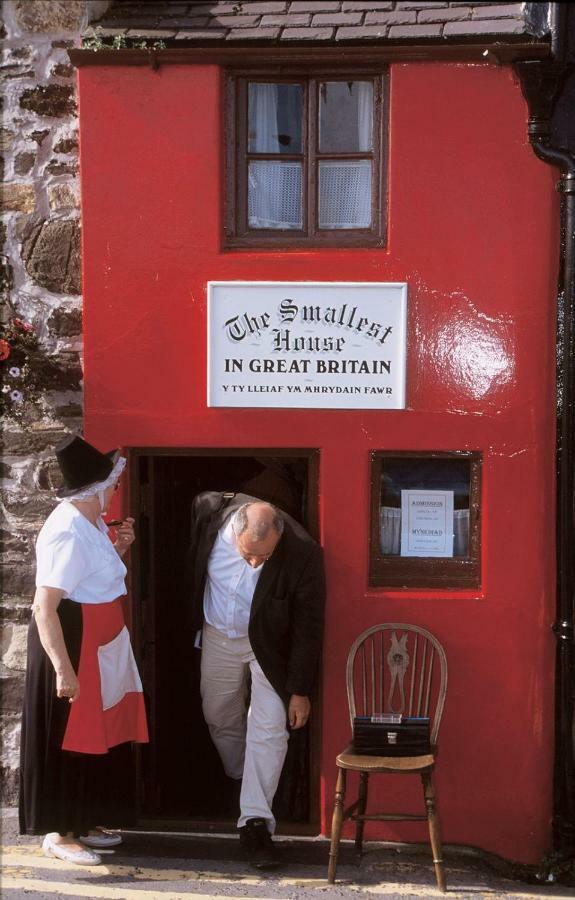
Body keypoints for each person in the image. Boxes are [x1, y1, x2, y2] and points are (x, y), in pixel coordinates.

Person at [19, 435, 149, 866]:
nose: (114, 490)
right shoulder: (68, 531)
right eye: (110, 485)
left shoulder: (90, 521)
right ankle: (60, 831)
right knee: (68, 736)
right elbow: (45, 606)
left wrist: (120, 549)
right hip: (75, 640)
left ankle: (84, 818)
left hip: (98, 639)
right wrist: (63, 669)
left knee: (97, 733)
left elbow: (94, 578)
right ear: (94, 490)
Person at [186, 491, 325, 869]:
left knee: (269, 728)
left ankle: (255, 821)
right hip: (216, 633)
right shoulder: (209, 515)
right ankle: (242, 777)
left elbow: (308, 628)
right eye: (247, 553)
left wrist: (299, 690)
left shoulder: (303, 551)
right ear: (236, 530)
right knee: (218, 713)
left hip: (268, 645)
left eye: (263, 558)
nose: (253, 563)